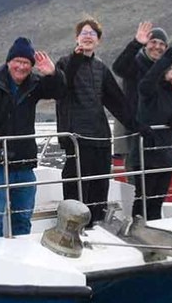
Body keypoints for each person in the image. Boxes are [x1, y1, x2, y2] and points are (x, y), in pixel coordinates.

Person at [0, 37, 58, 238]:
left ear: (31, 66)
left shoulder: (35, 84)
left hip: (24, 164)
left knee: (23, 220)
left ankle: (23, 261)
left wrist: (52, 73)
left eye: (26, 63)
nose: (21, 66)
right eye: (17, 61)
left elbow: (59, 91)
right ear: (8, 61)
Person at [51, 16, 133, 227]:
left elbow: (117, 102)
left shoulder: (101, 67)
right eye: (84, 33)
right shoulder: (64, 62)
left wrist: (139, 126)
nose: (88, 37)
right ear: (77, 38)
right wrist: (77, 59)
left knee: (99, 189)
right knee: (76, 189)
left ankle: (96, 226)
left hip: (101, 137)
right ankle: (72, 229)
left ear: (98, 40)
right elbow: (61, 88)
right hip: (76, 137)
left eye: (92, 34)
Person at [134, 51, 172, 221]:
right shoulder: (154, 90)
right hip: (148, 154)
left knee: (157, 201)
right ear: (166, 73)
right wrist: (162, 63)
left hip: (167, 155)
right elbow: (145, 85)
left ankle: (154, 229)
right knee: (144, 199)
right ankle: (137, 230)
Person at [111, 22, 169, 182]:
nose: (157, 47)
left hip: (160, 135)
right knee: (138, 185)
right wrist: (136, 43)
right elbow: (118, 68)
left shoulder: (167, 69)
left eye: (161, 44)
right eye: (153, 42)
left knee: (157, 185)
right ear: (146, 44)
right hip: (136, 134)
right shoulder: (134, 64)